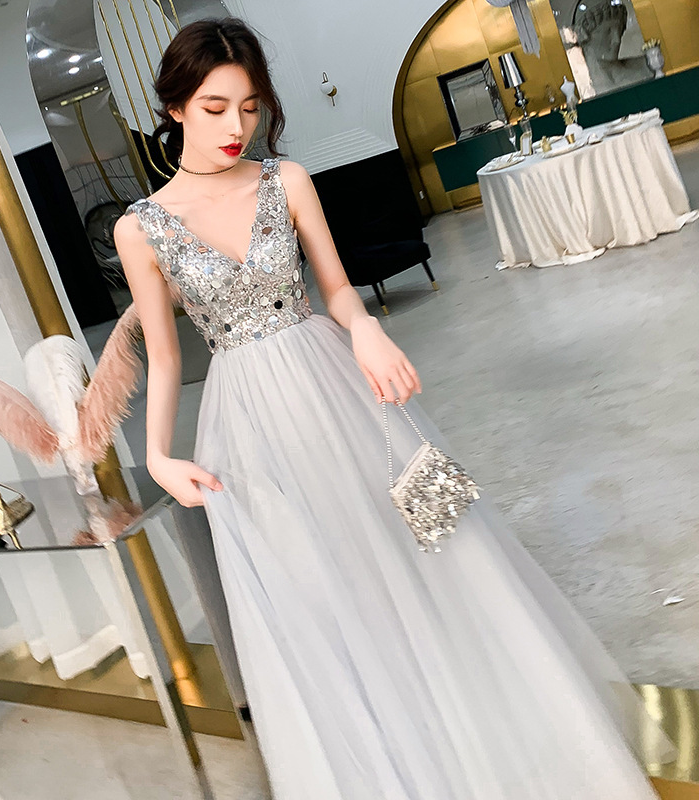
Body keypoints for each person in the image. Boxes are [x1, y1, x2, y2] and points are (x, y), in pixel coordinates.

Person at [114, 17, 673, 799]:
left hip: (331, 387)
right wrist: (157, 456)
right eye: (214, 108)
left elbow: (337, 289)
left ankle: (483, 735)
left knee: (421, 549)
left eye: (249, 106)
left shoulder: (285, 180)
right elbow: (167, 355)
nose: (236, 126)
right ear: (175, 108)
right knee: (318, 592)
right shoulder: (140, 228)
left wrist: (366, 330)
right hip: (245, 427)